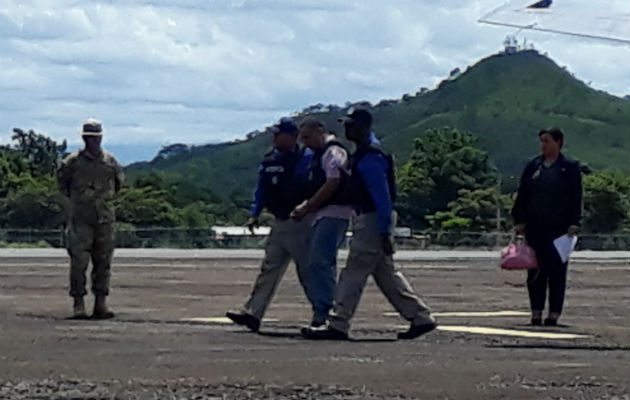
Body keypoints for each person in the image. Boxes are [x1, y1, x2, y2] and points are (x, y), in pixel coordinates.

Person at [301, 108, 437, 340]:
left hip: (372, 219)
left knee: (354, 271)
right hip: (369, 218)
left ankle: (338, 322)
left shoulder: (371, 156)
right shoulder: (364, 153)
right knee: (385, 274)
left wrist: (384, 231)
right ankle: (420, 316)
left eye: (351, 125)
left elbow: (382, 197)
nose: (347, 129)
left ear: (363, 127)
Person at [226, 117, 314, 332]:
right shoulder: (270, 160)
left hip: (301, 221)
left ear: (291, 137)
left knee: (310, 272)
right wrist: (254, 213)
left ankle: (323, 314)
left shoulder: (306, 158)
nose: (274, 138)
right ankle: (253, 312)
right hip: (280, 220)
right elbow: (262, 189)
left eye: (278, 134)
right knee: (269, 269)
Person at [512, 127, 582, 326]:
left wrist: (574, 222)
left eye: (547, 141)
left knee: (557, 271)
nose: (543, 145)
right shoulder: (533, 166)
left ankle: (554, 314)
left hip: (559, 229)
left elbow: (576, 196)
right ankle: (536, 312)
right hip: (535, 226)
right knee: (535, 271)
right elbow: (522, 194)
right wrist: (518, 220)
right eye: (542, 141)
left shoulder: (569, 167)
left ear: (559, 142)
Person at [57, 118, 124, 319]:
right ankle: (78, 302)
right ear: (84, 138)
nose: (93, 142)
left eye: (96, 138)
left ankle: (100, 303)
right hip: (81, 219)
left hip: (104, 219)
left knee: (103, 262)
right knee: (79, 261)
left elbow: (119, 184)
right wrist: (79, 200)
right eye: (89, 138)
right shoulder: (72, 162)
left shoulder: (110, 162)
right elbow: (62, 184)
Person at [291, 117, 354, 327]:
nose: (305, 142)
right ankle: (325, 309)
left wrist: (309, 205)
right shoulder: (318, 154)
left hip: (334, 212)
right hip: (323, 213)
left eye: (308, 137)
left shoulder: (332, 152)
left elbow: (333, 181)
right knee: (318, 262)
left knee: (320, 261)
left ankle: (325, 311)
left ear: (320, 131)